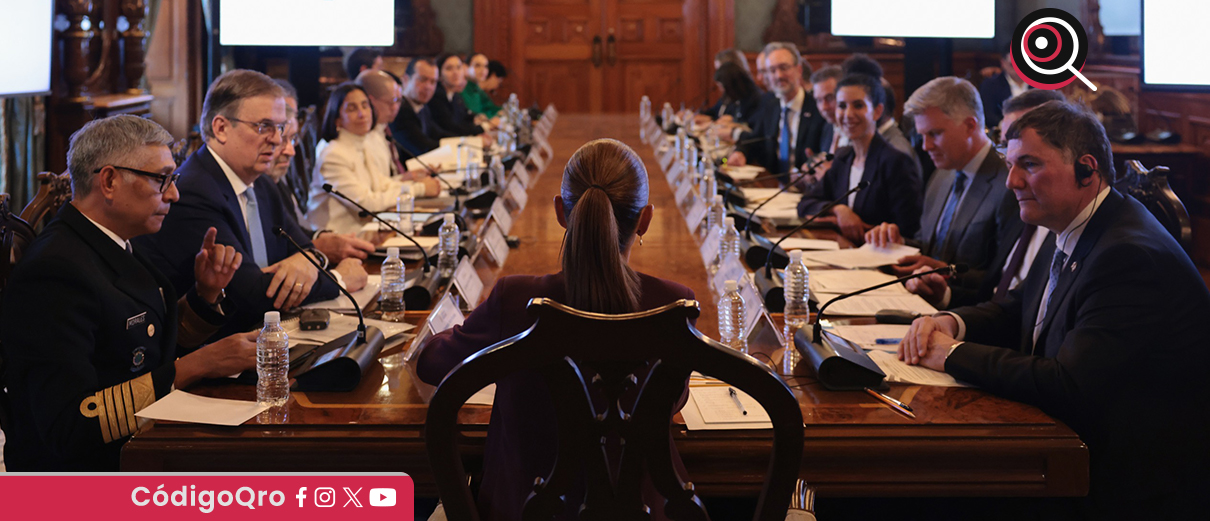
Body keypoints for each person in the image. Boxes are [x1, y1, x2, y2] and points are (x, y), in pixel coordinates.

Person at [899, 101, 1210, 520]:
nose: (1011, 181)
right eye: (1010, 165)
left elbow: (1069, 385)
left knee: (911, 491)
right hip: (1067, 443)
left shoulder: (1127, 255)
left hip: (1118, 481)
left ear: (1087, 169)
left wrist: (950, 353)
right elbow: (1018, 309)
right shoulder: (1072, 223)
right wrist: (948, 322)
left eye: (1028, 164)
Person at [415, 139, 695, 521]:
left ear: (562, 213)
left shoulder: (516, 300)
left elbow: (432, 364)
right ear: (645, 219)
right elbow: (673, 400)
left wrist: (453, 330)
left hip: (524, 509)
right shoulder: (675, 303)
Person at [0, 115, 257, 470]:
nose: (174, 193)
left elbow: (143, 345)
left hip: (139, 448)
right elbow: (71, 425)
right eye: (162, 179)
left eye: (174, 179)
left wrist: (205, 294)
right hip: (83, 481)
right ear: (109, 180)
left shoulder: (111, 242)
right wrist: (197, 365)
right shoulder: (55, 271)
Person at [135, 69, 368, 340]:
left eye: (280, 128)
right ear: (221, 128)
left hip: (273, 337)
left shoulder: (262, 183)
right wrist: (339, 280)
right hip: (219, 352)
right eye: (263, 126)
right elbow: (252, 294)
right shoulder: (194, 191)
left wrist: (310, 261)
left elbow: (304, 247)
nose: (277, 139)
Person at [906, 89, 1069, 309]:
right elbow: (1002, 297)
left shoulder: (1055, 219)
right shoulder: (941, 174)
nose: (1011, 180)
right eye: (1005, 146)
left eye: (1028, 157)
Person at [865, 77, 1018, 300]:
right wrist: (898, 244)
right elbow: (930, 247)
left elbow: (1005, 280)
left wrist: (944, 272)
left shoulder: (1009, 184)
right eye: (922, 135)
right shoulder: (942, 173)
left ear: (969, 126)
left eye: (934, 134)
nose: (925, 146)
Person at [797, 73, 922, 242]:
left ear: (877, 111)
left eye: (858, 105)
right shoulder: (843, 157)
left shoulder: (895, 162)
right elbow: (806, 204)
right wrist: (839, 210)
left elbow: (909, 232)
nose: (848, 114)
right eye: (841, 106)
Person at [268, 80, 377, 262]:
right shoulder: (333, 152)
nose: (290, 150)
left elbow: (293, 229)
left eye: (291, 115)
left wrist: (321, 236)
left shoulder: (272, 178)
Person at [307, 82, 435, 234]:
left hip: (365, 231)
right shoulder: (333, 154)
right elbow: (367, 203)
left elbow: (380, 185)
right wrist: (419, 189)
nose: (362, 114)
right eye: (352, 108)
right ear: (337, 119)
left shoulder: (361, 143)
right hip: (338, 239)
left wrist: (412, 181)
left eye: (365, 105)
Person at [727, 42, 827, 180]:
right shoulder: (769, 105)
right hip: (776, 188)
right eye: (772, 70)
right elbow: (754, 140)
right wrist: (741, 152)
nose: (778, 75)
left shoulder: (818, 109)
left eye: (784, 68)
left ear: (799, 70)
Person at [357, 69, 441, 195]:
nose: (395, 108)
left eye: (398, 101)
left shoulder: (382, 131)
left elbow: (383, 182)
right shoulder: (362, 139)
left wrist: (408, 176)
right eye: (391, 101)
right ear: (371, 101)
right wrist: (419, 189)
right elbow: (372, 193)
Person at [391, 58, 449, 156]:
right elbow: (423, 147)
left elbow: (438, 134)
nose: (428, 87)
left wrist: (465, 142)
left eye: (433, 82)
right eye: (422, 79)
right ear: (405, 79)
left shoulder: (422, 107)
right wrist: (458, 147)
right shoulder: (400, 109)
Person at [428, 53, 488, 137]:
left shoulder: (455, 96)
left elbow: (463, 118)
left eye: (458, 67)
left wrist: (476, 118)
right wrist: (484, 127)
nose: (455, 72)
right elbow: (451, 127)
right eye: (449, 68)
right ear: (439, 74)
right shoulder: (435, 96)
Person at [979, 50, 1030, 130]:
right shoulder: (990, 85)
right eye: (1012, 65)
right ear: (1003, 63)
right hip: (1003, 133)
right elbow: (988, 115)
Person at [811, 65, 844, 156]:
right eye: (819, 100)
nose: (823, 107)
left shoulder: (858, 131)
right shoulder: (827, 128)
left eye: (829, 98)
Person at [462, 52, 503, 119]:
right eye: (477, 65)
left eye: (486, 66)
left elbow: (490, 108)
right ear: (466, 67)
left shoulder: (478, 90)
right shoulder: (461, 90)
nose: (483, 70)